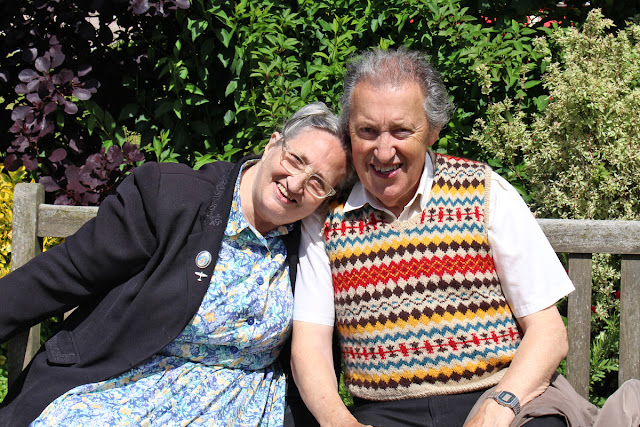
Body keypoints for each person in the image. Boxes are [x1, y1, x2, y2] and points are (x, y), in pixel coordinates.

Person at [0, 101, 350, 426]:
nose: (296, 183)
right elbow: (62, 276)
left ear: (326, 200)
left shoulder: (310, 244)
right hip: (125, 391)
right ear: (273, 143)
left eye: (318, 183)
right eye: (296, 160)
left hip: (244, 409)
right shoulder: (172, 198)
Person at [291, 49, 579, 427]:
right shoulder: (326, 217)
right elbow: (310, 343)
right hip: (385, 414)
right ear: (349, 132)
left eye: (400, 130)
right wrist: (338, 423)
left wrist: (499, 407)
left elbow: (549, 333)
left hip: (504, 399)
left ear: (433, 130)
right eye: (367, 131)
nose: (383, 150)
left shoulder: (483, 190)